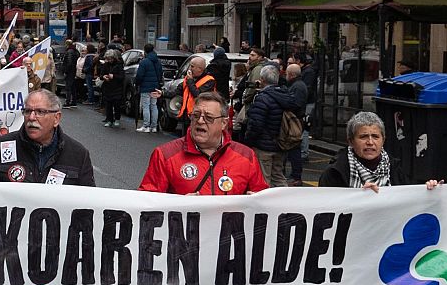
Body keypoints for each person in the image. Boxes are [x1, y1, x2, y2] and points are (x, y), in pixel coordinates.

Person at [139, 91, 268, 195]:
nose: (200, 121)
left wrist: (256, 201)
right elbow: (147, 203)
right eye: (195, 115)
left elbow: (262, 199)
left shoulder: (246, 156)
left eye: (209, 117)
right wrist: (178, 206)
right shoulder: (164, 155)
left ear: (224, 123)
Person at [0, 89, 94, 185]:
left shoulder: (78, 155)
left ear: (56, 118)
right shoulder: (0, 147)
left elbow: (88, 203)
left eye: (40, 112)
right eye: (27, 111)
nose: (31, 117)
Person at [240, 65, 298, 187]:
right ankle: (284, 203)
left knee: (264, 179)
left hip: (263, 145)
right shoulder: (285, 95)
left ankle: (266, 205)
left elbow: (256, 124)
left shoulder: (263, 98)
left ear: (262, 79)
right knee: (278, 176)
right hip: (280, 144)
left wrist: (248, 140)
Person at [97, 48, 127, 129]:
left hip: (117, 88)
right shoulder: (106, 65)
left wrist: (114, 76)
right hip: (107, 87)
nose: (108, 60)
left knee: (117, 105)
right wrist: (103, 77)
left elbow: (122, 77)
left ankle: (117, 119)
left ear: (113, 58)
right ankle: (109, 120)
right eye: (107, 58)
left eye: (110, 58)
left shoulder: (119, 65)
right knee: (108, 105)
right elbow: (101, 75)